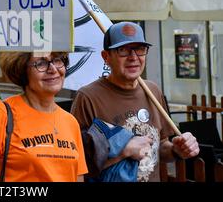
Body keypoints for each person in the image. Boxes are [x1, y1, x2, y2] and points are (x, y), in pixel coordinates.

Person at [71, 21, 199, 182]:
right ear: (106, 57)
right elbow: (75, 163)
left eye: (140, 49)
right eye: (123, 50)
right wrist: (123, 151)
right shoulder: (88, 97)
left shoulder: (153, 90)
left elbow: (161, 147)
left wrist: (176, 150)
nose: (133, 58)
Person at [0, 52, 88, 182]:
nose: (53, 69)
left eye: (58, 60)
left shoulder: (71, 122)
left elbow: (77, 177)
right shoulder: (1, 113)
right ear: (22, 70)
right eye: (41, 63)